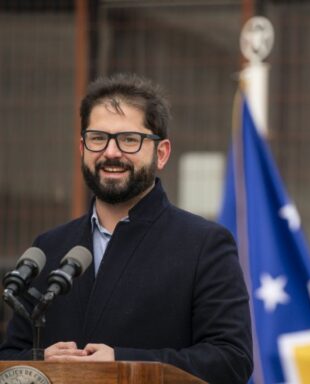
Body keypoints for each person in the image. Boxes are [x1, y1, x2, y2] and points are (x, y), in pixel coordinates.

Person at [0, 73, 253, 384]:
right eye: (98, 138)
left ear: (161, 153)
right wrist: (41, 360)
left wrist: (121, 361)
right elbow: (10, 357)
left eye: (129, 140)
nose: (111, 152)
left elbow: (231, 360)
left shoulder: (204, 245)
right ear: (82, 148)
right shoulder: (49, 247)